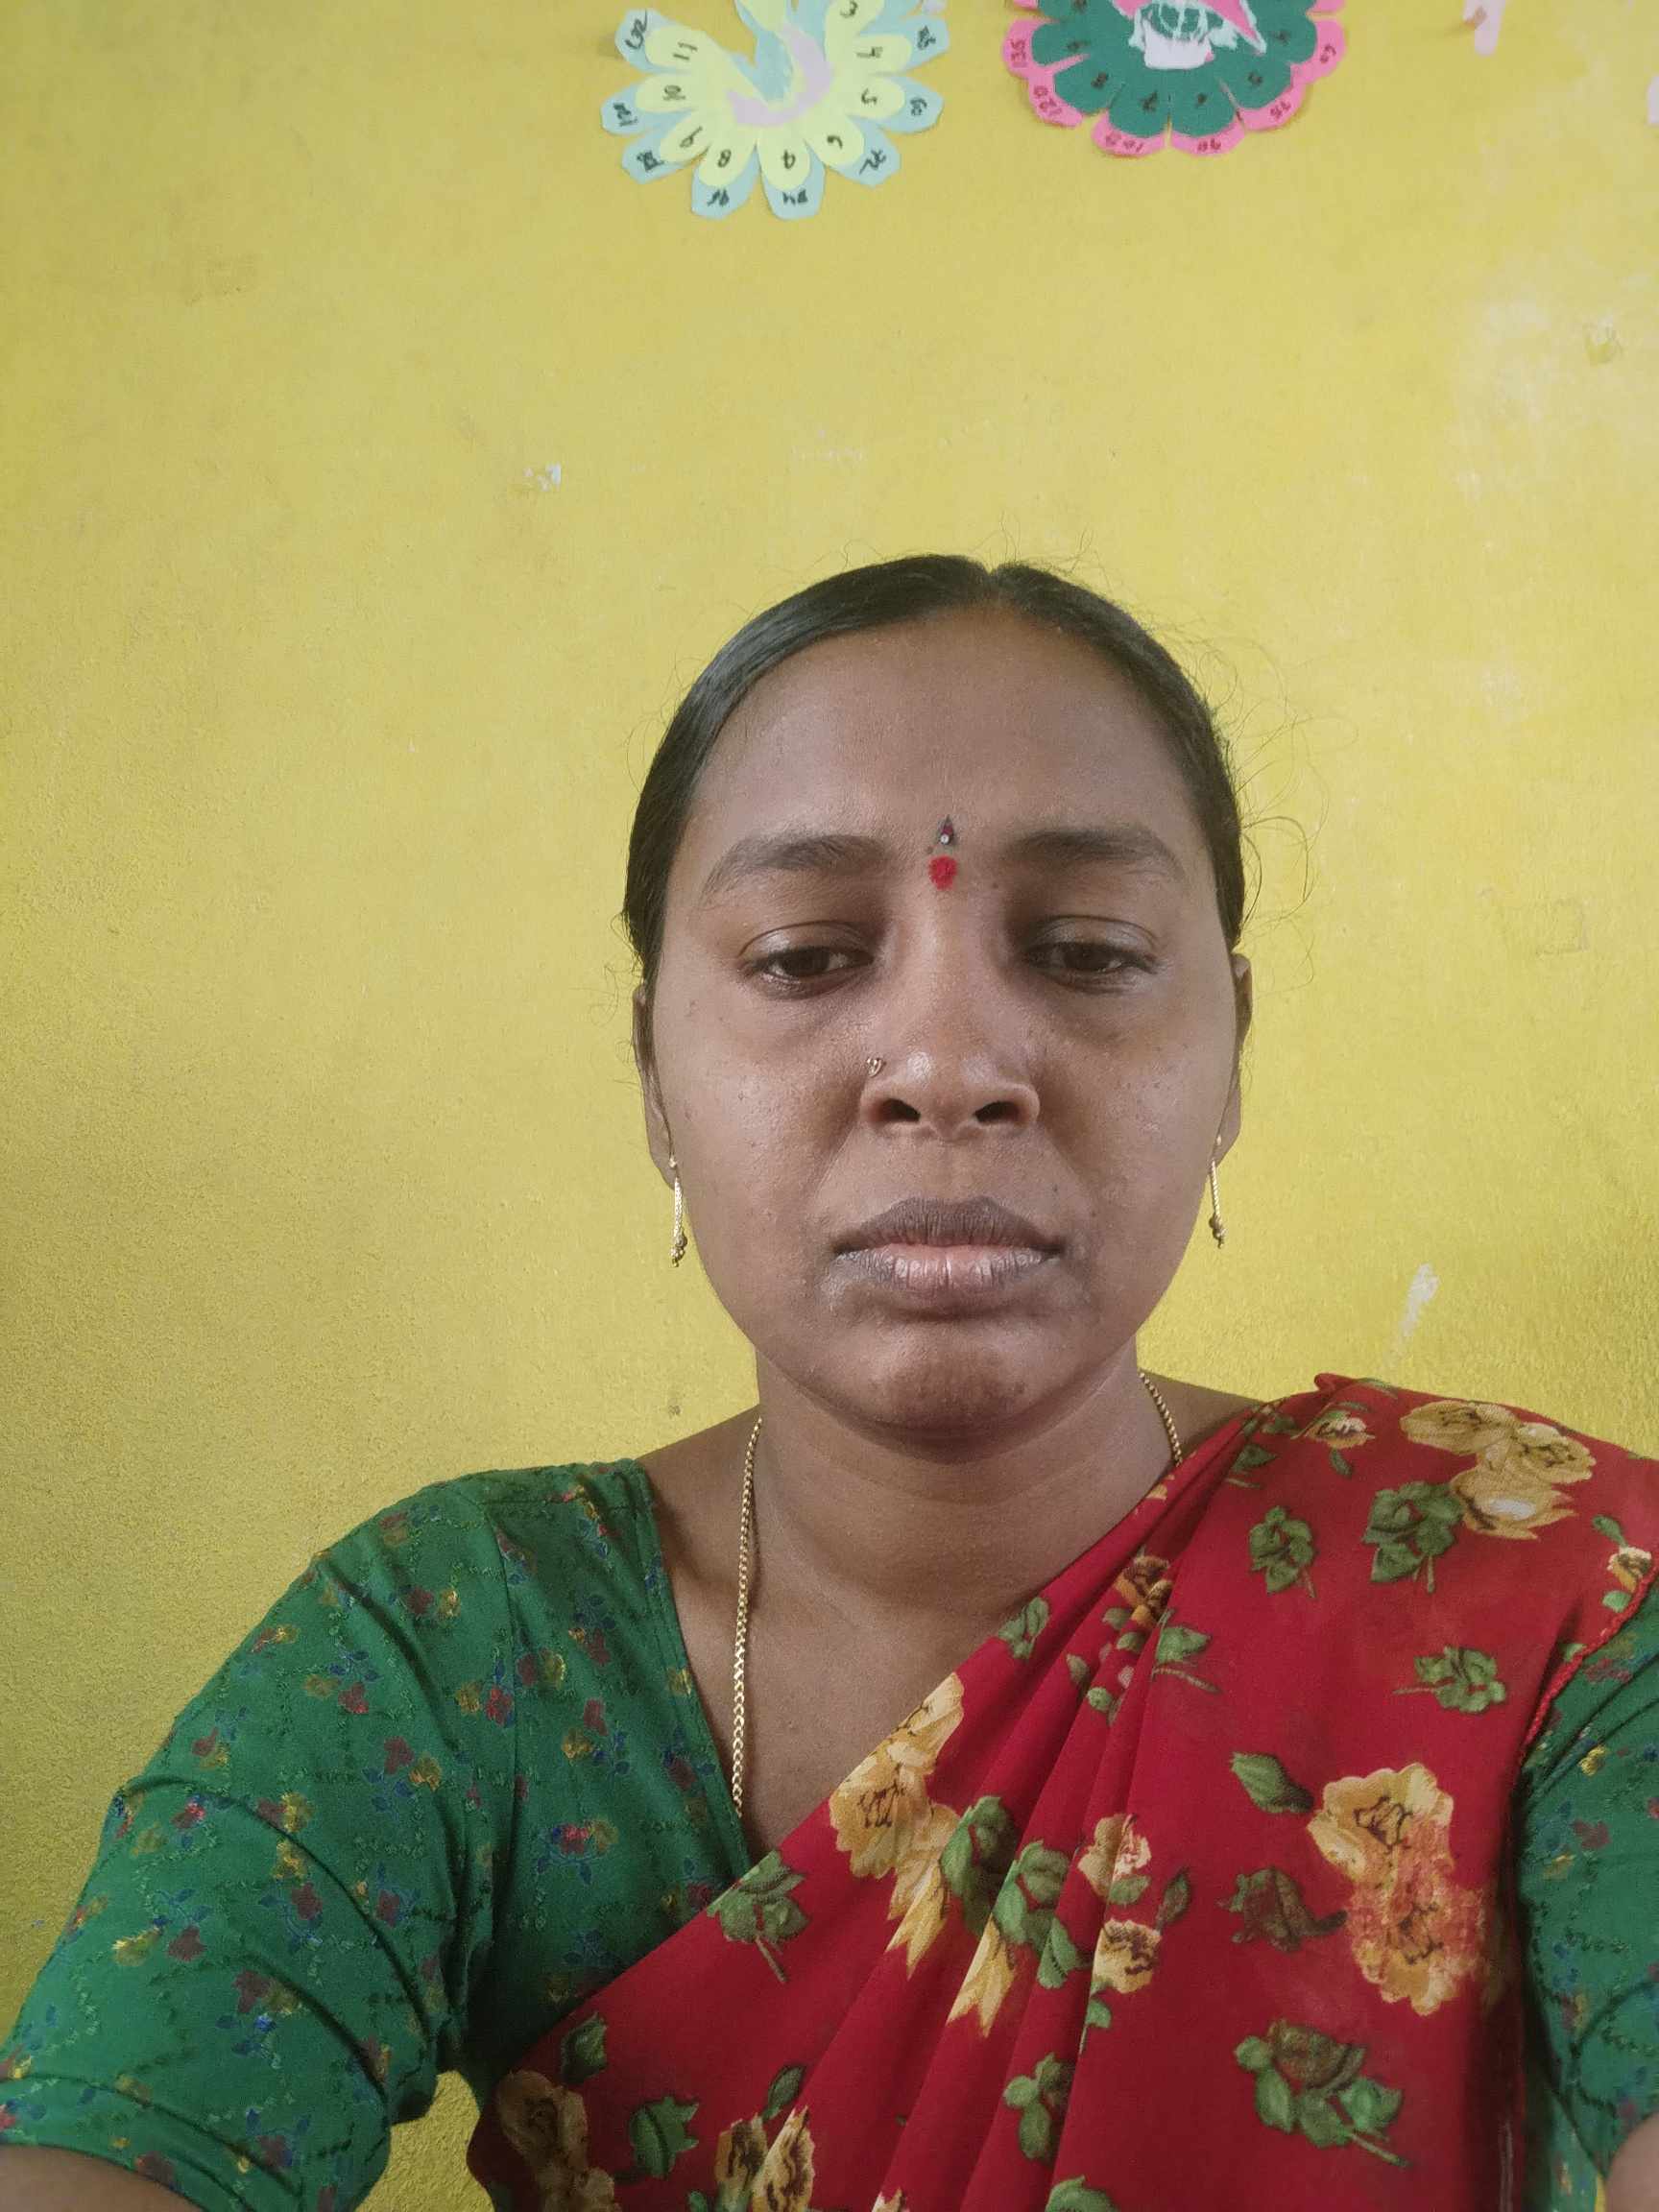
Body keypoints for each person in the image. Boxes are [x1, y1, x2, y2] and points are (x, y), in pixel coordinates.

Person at [2, 556, 1655, 2212]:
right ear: (654, 1077)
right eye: (803, 957)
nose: (947, 1066)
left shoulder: (1550, 1599)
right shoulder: (460, 1661)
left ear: (1232, 1048)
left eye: (1084, 951)